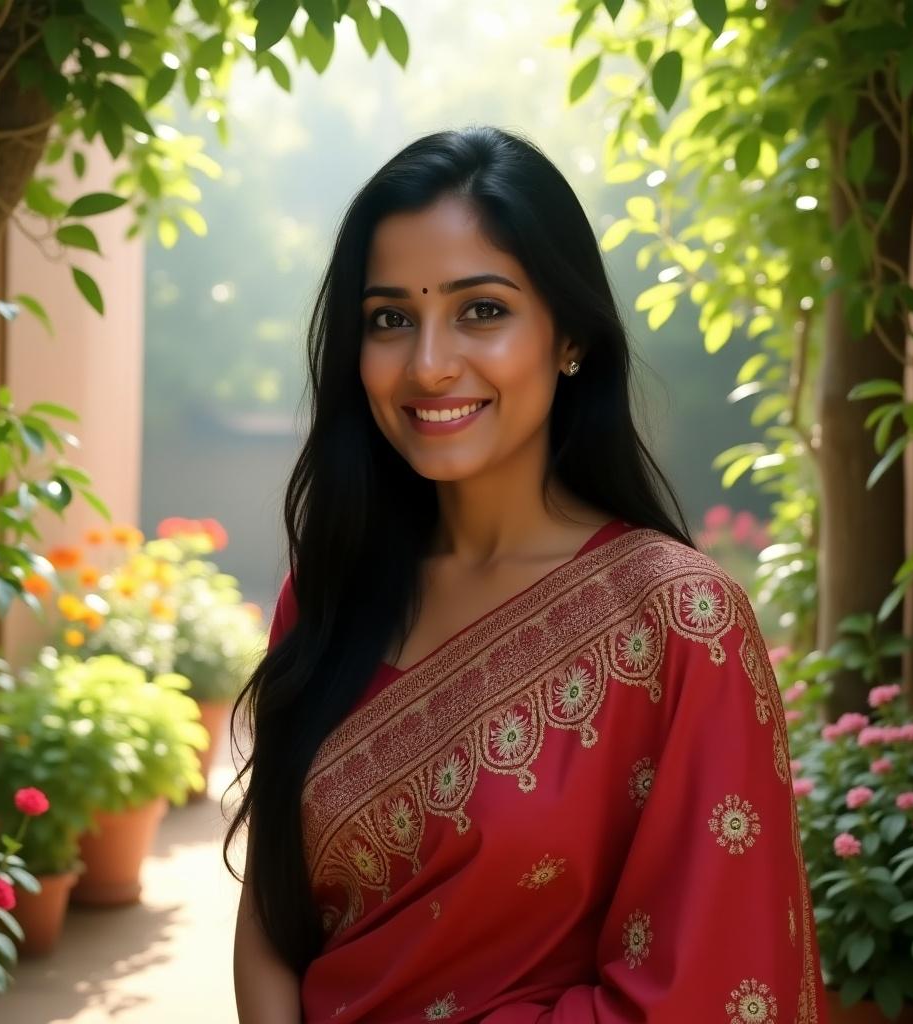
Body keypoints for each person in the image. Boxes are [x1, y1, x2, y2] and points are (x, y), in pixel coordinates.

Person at [226, 125, 826, 1024]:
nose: (428, 364)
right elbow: (274, 915)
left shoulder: (679, 625)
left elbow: (709, 985)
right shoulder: (332, 593)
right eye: (390, 318)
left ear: (572, 336)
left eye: (482, 310)